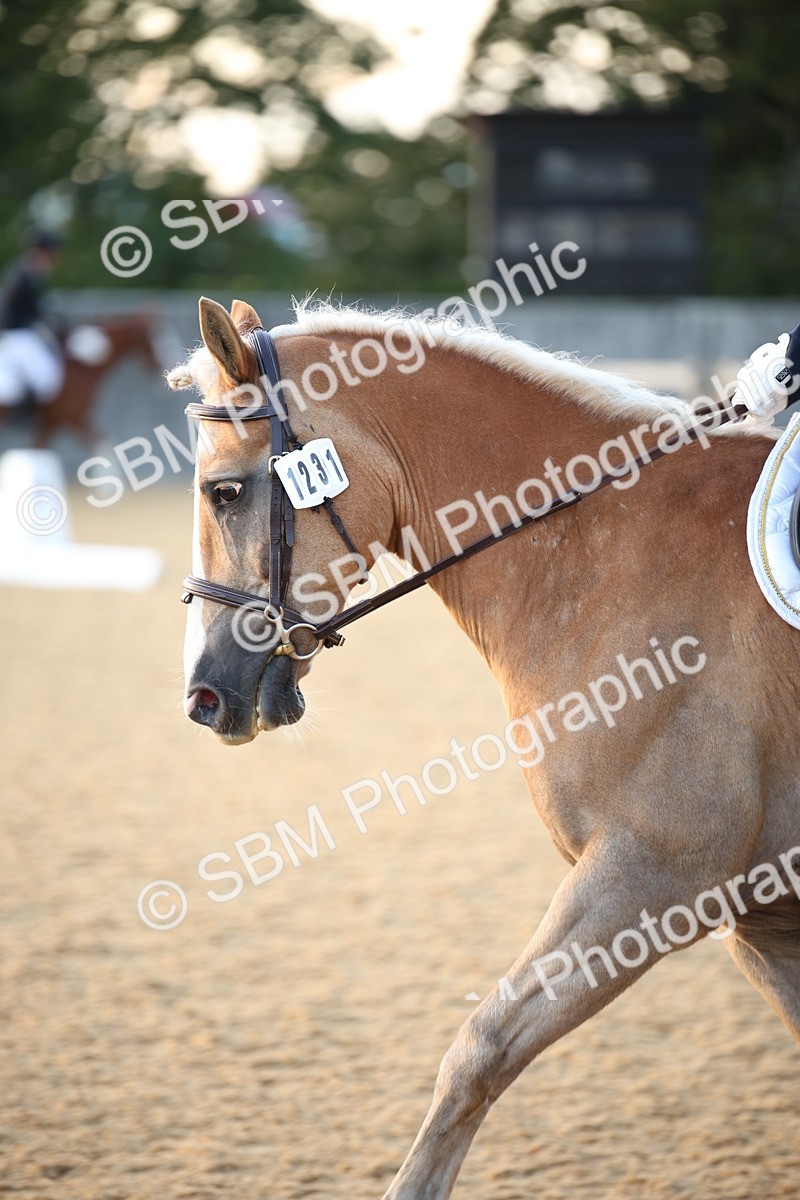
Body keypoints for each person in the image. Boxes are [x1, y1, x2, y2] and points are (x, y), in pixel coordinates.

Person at [0, 230, 64, 410]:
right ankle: (22, 412)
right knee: (44, 375)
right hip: (16, 334)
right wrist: (39, 322)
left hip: (21, 332)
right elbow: (12, 310)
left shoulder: (31, 275)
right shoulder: (23, 276)